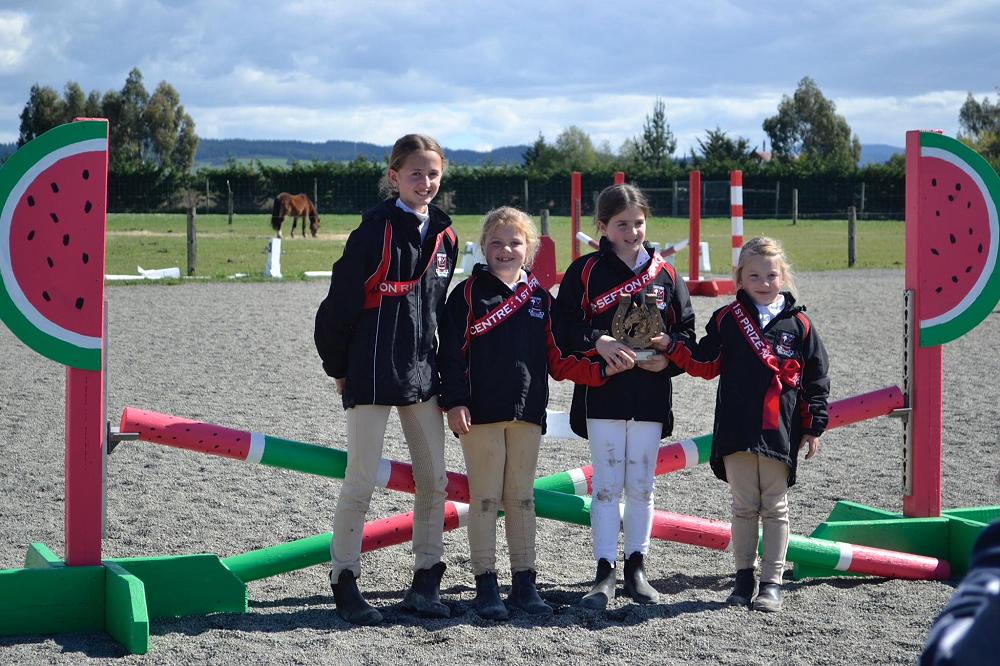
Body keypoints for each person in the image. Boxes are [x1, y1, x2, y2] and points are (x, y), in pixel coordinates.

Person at [438, 207, 618, 621]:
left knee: (521, 500)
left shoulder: (540, 298)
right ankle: (486, 584)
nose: (505, 250)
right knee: (483, 500)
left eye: (515, 243)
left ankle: (524, 583)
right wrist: (456, 401)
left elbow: (558, 360)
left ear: (530, 249)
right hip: (478, 415)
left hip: (527, 413)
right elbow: (450, 353)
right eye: (497, 243)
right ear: (483, 247)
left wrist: (602, 371)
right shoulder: (466, 295)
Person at [314, 134, 459, 625]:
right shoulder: (371, 232)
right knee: (360, 482)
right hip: (371, 370)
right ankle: (344, 578)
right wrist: (338, 368)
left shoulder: (446, 237)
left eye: (433, 173)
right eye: (415, 173)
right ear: (394, 176)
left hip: (422, 372)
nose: (426, 182)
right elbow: (336, 309)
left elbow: (434, 310)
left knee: (434, 481)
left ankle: (426, 578)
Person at [654, 236, 829, 612]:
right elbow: (704, 364)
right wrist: (672, 345)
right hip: (736, 428)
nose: (764, 282)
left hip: (780, 431)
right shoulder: (726, 319)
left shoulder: (800, 325)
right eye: (754, 275)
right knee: (744, 506)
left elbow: (817, 379)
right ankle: (742, 579)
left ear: (783, 276)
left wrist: (813, 425)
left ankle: (772, 582)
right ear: (740, 278)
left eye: (771, 275)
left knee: (776, 506)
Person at [556, 184, 696, 610]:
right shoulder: (584, 271)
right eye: (622, 224)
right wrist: (597, 341)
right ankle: (604, 572)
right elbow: (563, 329)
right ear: (603, 227)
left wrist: (667, 357)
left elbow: (687, 331)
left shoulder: (667, 274)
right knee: (605, 485)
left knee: (642, 484)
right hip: (603, 394)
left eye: (638, 222)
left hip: (651, 393)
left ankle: (637, 567)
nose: (633, 231)